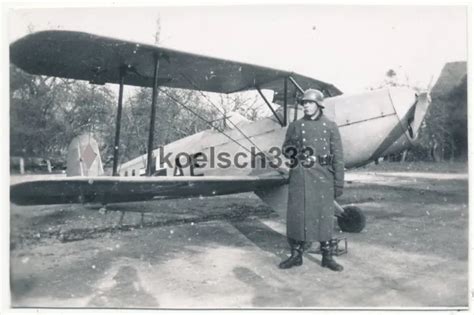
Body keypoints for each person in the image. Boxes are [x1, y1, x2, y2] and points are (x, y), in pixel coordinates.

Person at [279, 88, 345, 272]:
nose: (306, 106)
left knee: (323, 217)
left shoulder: (330, 126)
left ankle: (327, 256)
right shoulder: (295, 126)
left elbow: (338, 157)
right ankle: (296, 255)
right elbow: (286, 149)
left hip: (323, 177)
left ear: (318, 105)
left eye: (309, 103)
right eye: (304, 103)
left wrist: (338, 183)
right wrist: (297, 153)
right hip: (300, 176)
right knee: (297, 217)